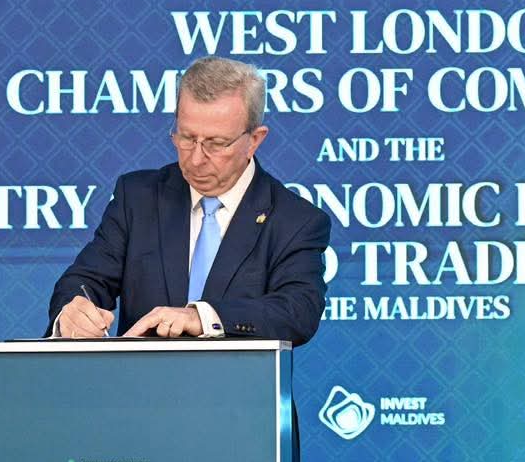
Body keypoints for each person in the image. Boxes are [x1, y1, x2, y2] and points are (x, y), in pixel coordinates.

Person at [48, 55, 330, 344]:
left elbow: (298, 310)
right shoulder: (138, 198)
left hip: (236, 375)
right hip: (137, 374)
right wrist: (73, 314)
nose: (195, 159)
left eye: (216, 144)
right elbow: (84, 281)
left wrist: (202, 317)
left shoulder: (295, 221)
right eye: (186, 138)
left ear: (254, 140)